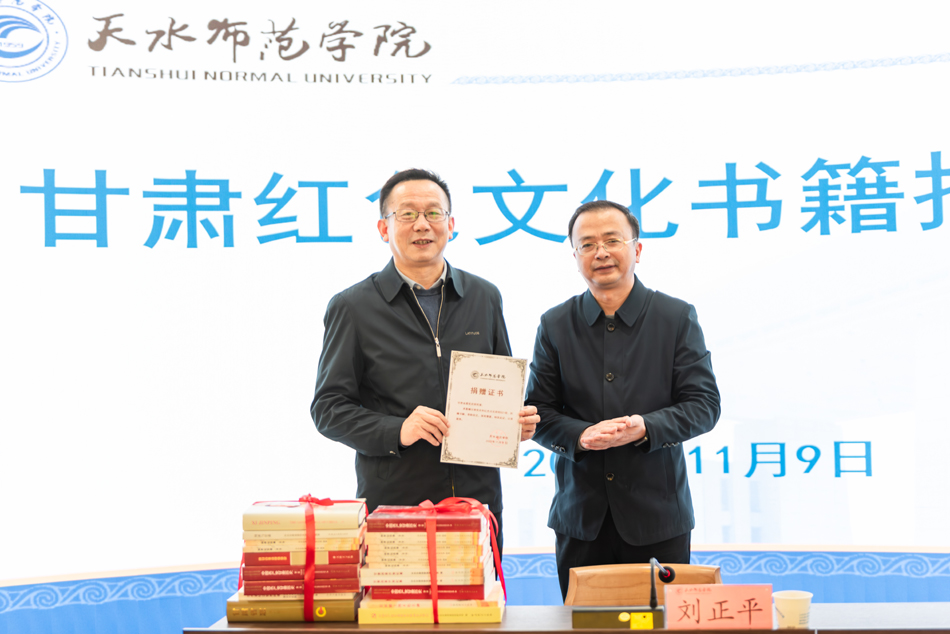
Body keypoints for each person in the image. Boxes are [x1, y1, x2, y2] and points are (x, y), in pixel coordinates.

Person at [311, 168, 538, 552]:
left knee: (480, 593)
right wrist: (398, 429)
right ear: (383, 228)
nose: (422, 224)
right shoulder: (353, 307)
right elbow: (328, 409)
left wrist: (514, 423)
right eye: (407, 214)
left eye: (434, 213)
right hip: (396, 505)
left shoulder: (484, 296)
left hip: (478, 503)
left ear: (451, 224)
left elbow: (501, 386)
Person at [525, 200, 721, 600]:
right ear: (575, 256)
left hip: (658, 519)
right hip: (581, 519)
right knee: (584, 625)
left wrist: (646, 427)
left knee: (659, 624)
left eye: (612, 240)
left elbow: (704, 405)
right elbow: (539, 412)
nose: (600, 252)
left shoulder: (675, 317)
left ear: (637, 249)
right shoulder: (555, 324)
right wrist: (581, 436)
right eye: (587, 244)